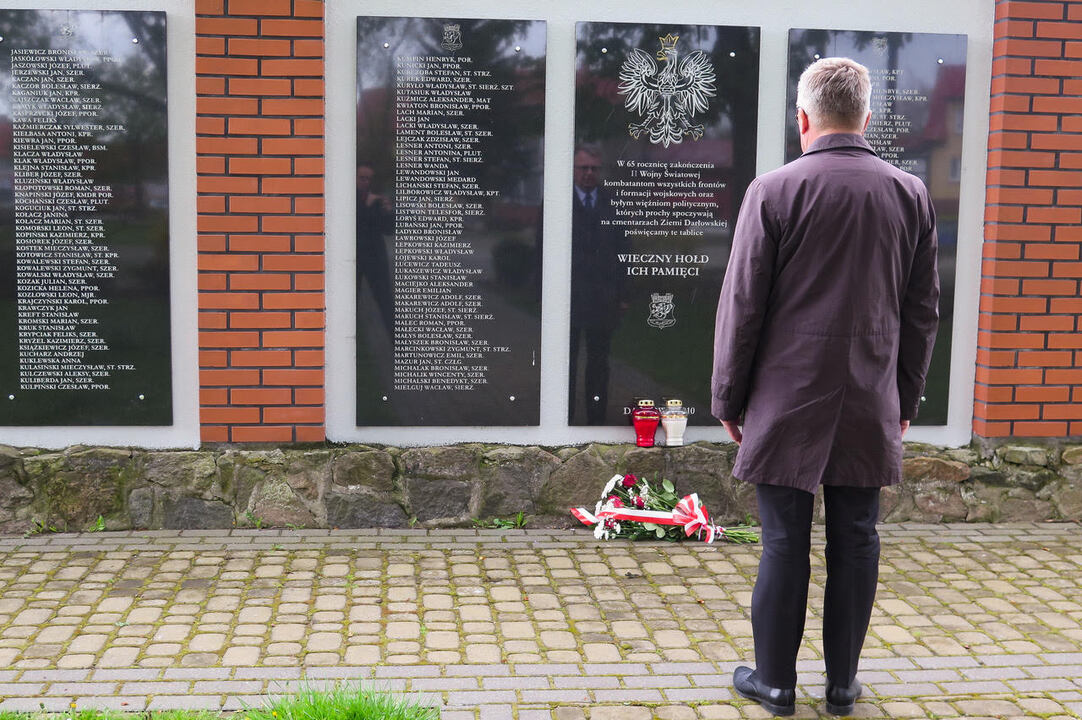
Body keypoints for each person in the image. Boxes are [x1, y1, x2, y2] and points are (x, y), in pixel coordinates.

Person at [711, 57, 939, 716]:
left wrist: (728, 397)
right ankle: (842, 685)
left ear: (803, 118)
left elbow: (743, 306)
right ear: (866, 117)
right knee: (857, 536)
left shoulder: (773, 191)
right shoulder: (910, 194)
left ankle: (775, 684)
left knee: (784, 541)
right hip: (869, 393)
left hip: (787, 396)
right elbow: (922, 311)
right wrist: (906, 398)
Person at [569, 145, 628, 424]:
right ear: (574, 170)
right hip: (568, 299)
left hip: (603, 300)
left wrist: (624, 295)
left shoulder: (611, 202)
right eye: (583, 168)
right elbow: (542, 248)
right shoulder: (558, 201)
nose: (589, 173)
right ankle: (564, 418)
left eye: (594, 168)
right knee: (566, 363)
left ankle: (596, 420)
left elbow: (624, 250)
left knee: (598, 364)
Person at [356, 164, 394, 339]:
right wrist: (367, 206)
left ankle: (399, 343)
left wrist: (388, 211)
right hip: (355, 257)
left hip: (375, 257)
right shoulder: (349, 199)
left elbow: (388, 230)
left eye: (369, 179)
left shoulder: (376, 199)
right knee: (351, 300)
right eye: (362, 178)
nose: (366, 182)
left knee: (385, 300)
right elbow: (357, 224)